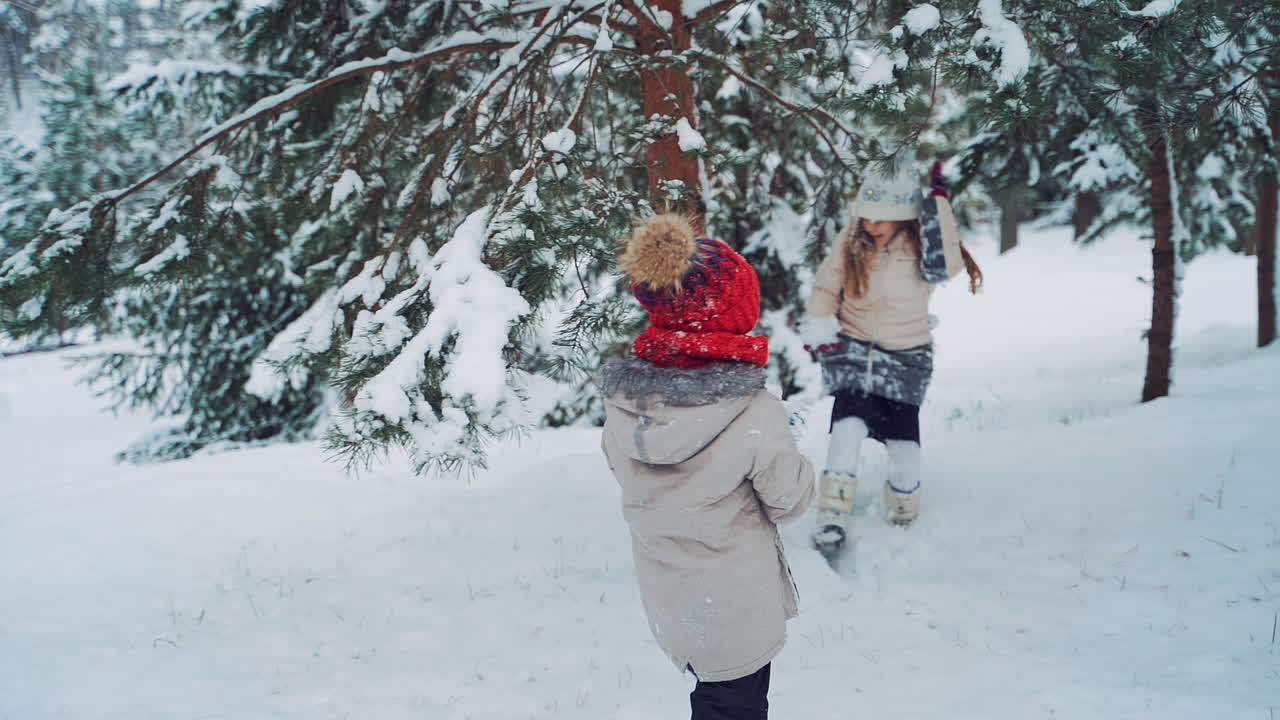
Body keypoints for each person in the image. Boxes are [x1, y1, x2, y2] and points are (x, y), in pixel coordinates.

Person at [600, 213, 816, 720]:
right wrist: (789, 438)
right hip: (736, 608)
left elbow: (626, 471)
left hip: (670, 598)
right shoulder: (753, 411)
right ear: (732, 317)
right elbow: (790, 500)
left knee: (713, 702)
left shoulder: (626, 403)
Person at [799, 160, 982, 551]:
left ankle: (902, 512)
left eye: (882, 219)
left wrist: (938, 207)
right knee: (846, 430)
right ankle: (832, 514)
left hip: (905, 358)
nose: (872, 226)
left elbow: (948, 264)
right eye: (867, 217)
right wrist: (818, 325)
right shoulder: (852, 240)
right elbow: (827, 283)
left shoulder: (922, 244)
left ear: (904, 215)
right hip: (854, 348)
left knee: (904, 446)